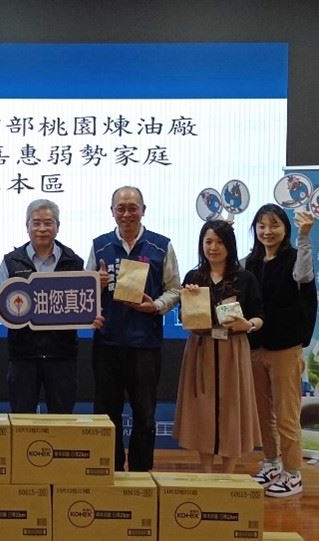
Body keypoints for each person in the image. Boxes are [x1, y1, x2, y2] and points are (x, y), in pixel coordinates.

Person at [87, 186, 180, 471]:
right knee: (107, 414)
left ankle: (141, 472)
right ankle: (110, 469)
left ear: (143, 210)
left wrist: (157, 306)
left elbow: (174, 288)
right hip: (107, 343)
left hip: (145, 344)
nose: (126, 214)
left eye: (132, 208)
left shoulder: (161, 246)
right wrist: (95, 283)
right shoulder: (100, 245)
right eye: (121, 208)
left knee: (145, 413)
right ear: (112, 211)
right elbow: (84, 291)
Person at [0, 199, 100, 413]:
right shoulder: (11, 261)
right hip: (23, 355)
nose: (42, 229)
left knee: (62, 420)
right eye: (36, 223)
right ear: (27, 226)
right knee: (22, 419)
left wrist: (92, 315)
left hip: (62, 355)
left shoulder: (74, 262)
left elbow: (83, 303)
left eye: (48, 223)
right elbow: (0, 302)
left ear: (58, 226)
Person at [174, 219, 263, 473]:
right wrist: (190, 300)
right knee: (203, 409)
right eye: (208, 241)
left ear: (230, 245)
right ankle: (206, 473)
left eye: (220, 242)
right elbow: (183, 317)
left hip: (233, 349)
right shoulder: (193, 277)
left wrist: (248, 324)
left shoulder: (245, 278)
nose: (213, 247)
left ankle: (228, 473)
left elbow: (259, 315)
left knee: (231, 408)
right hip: (201, 348)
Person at [244, 204, 316, 497]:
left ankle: (293, 473)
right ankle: (272, 463)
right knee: (264, 413)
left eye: (274, 225)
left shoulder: (295, 257)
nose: (267, 231)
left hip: (285, 347)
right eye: (261, 225)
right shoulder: (251, 262)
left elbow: (304, 277)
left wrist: (305, 235)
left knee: (286, 414)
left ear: (285, 228)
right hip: (256, 347)